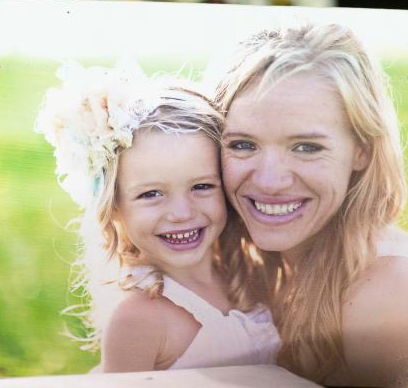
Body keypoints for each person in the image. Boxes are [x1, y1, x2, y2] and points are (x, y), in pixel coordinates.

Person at [215, 23, 408, 388]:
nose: (270, 181)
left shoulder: (390, 291)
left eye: (306, 147)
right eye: (243, 144)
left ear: (362, 151)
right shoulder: (260, 263)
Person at [35, 61, 280, 372]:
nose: (181, 213)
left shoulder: (246, 273)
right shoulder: (138, 319)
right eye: (151, 194)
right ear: (114, 206)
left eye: (201, 186)